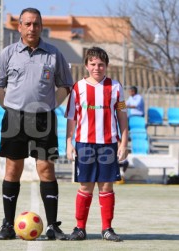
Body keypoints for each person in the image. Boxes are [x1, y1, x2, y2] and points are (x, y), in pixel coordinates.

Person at [0, 7, 73, 240]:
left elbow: (66, 84)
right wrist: (10, 108)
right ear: (20, 27)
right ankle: (7, 224)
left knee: (45, 168)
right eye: (28, 24)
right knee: (13, 169)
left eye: (36, 24)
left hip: (43, 118)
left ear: (41, 26)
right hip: (15, 118)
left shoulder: (54, 53)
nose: (32, 28)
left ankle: (53, 225)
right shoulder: (7, 53)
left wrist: (50, 105)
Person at [65, 47, 128, 242]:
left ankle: (107, 228)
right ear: (86, 65)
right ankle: (80, 228)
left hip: (108, 144)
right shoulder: (78, 87)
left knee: (106, 187)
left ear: (106, 66)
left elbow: (122, 116)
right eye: (92, 64)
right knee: (85, 187)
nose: (97, 68)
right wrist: (69, 142)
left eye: (101, 64)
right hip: (84, 144)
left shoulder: (116, 87)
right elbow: (71, 118)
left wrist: (123, 142)